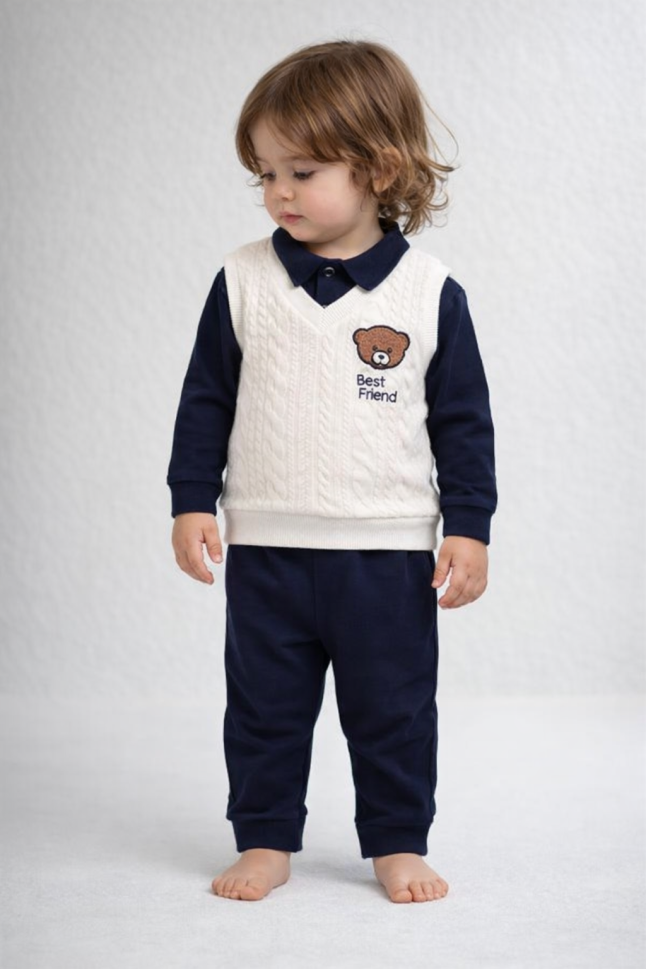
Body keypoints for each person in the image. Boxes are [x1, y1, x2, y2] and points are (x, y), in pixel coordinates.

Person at [167, 39, 497, 904]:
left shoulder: (428, 292)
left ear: (378, 169)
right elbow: (206, 400)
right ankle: (265, 837)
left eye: (302, 172)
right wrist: (191, 500)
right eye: (265, 174)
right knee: (263, 709)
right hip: (268, 549)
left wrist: (468, 526)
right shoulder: (242, 281)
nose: (279, 192)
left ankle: (397, 841)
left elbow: (463, 424)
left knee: (394, 710)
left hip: (386, 555)